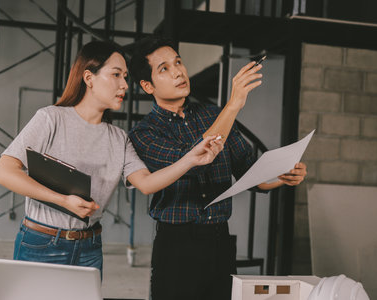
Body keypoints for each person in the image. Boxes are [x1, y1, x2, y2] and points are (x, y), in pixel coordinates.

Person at [0, 41, 224, 276]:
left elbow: (146, 183)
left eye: (125, 77)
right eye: (115, 75)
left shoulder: (118, 138)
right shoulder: (51, 119)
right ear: (89, 78)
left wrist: (190, 159)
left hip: (89, 248)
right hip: (42, 243)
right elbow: (3, 171)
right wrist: (62, 200)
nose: (124, 84)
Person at [128, 37, 307, 300]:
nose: (179, 71)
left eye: (178, 62)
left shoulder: (213, 115)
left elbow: (249, 172)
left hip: (220, 239)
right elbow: (191, 161)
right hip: (176, 245)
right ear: (147, 85)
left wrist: (280, 176)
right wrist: (233, 105)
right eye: (164, 69)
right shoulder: (144, 132)